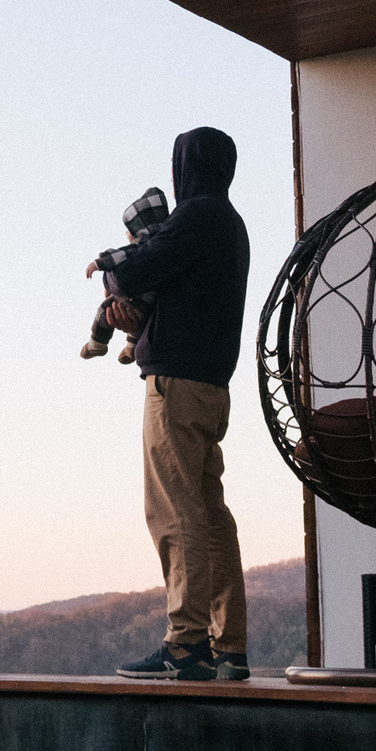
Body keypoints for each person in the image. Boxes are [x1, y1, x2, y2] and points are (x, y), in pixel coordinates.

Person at [87, 126, 250, 681]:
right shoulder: (231, 225)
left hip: (174, 387)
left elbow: (134, 268)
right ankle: (230, 646)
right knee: (210, 515)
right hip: (212, 387)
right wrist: (141, 319)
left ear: (185, 166)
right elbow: (187, 298)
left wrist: (112, 276)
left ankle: (184, 643)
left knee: (173, 511)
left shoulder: (196, 216)